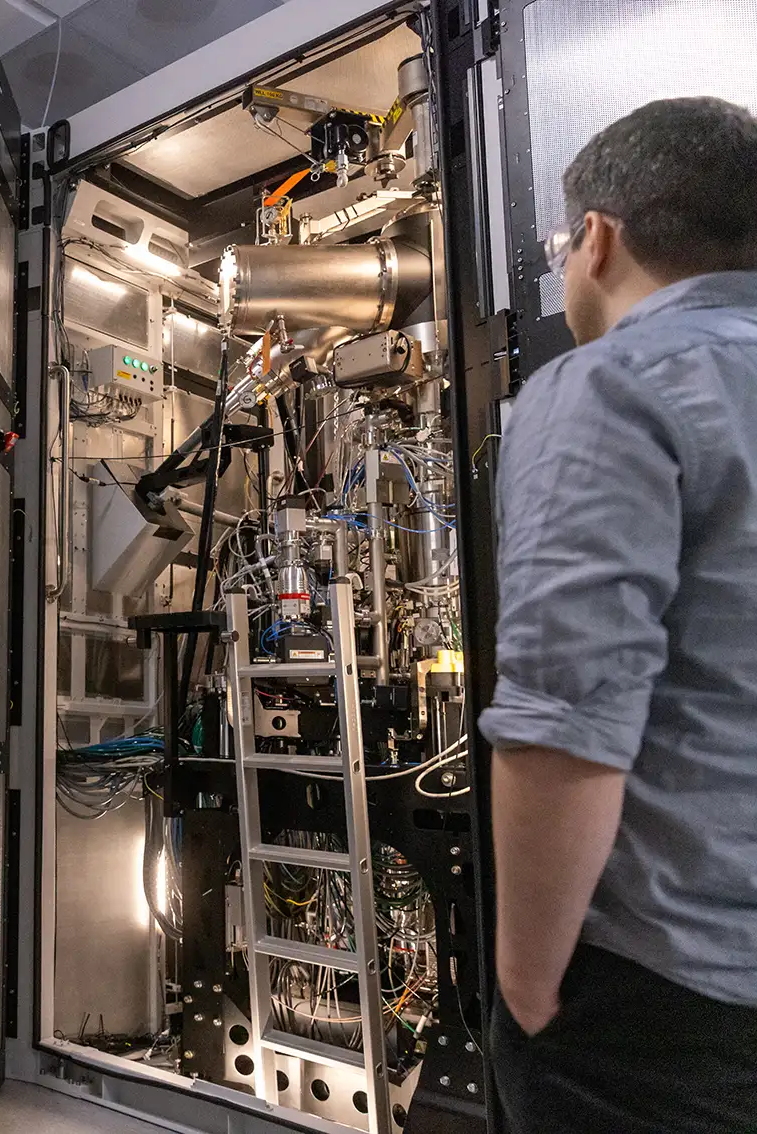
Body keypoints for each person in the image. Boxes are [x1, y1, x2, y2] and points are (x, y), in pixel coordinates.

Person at [480, 96, 757, 1132]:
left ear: (594, 239)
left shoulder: (610, 382)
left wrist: (523, 981)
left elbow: (566, 712)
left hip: (663, 994)